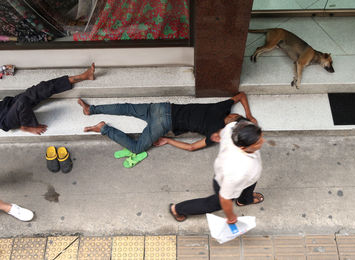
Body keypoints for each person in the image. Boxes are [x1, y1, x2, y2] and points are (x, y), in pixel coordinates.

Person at [78, 92, 257, 154]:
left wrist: (249, 114)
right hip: (164, 124)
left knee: (126, 108)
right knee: (137, 148)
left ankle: (90, 109)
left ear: (234, 118)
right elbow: (192, 147)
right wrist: (168, 140)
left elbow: (240, 95)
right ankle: (104, 128)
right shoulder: (216, 133)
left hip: (162, 107)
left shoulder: (221, 107)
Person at [169, 120, 264, 223]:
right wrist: (231, 217)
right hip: (227, 180)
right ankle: (177, 209)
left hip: (245, 178)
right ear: (243, 147)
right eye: (257, 142)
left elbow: (225, 130)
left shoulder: (233, 128)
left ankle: (244, 200)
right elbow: (225, 198)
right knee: (214, 204)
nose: (262, 141)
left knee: (249, 183)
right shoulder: (238, 170)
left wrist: (218, 134)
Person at [0, 63, 95, 135]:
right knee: (22, 101)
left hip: (7, 104)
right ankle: (27, 126)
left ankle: (83, 76)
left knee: (41, 88)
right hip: (5, 120)